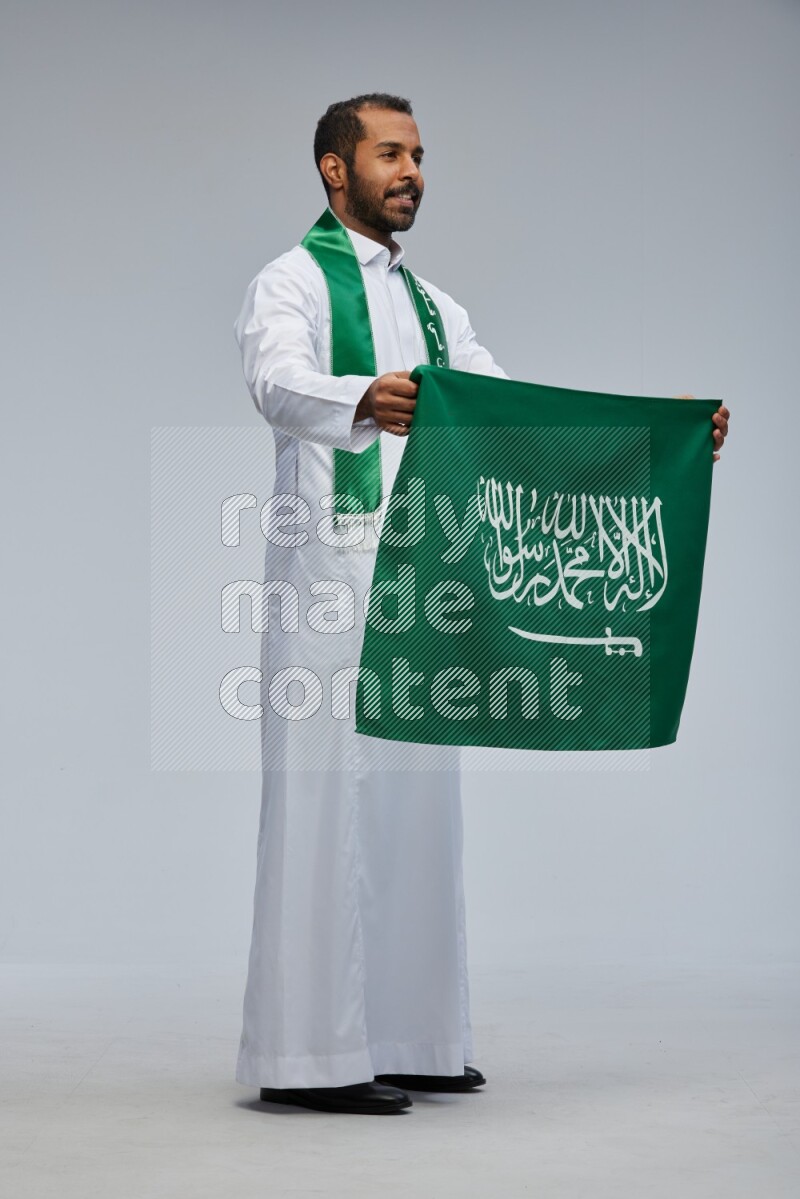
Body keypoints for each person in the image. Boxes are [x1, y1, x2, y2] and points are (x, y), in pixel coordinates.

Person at [233, 93, 730, 1117]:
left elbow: (516, 413)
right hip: (330, 580)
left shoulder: (432, 308)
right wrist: (362, 399)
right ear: (335, 169)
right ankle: (306, 1058)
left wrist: (658, 438)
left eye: (417, 154)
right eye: (389, 152)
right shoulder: (289, 281)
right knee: (327, 805)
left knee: (419, 800)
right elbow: (273, 380)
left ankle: (414, 1035)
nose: (411, 169)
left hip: (426, 579)